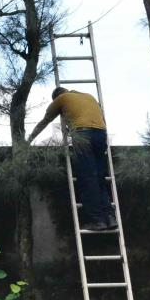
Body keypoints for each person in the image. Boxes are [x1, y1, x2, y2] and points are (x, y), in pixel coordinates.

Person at [28, 86, 116, 232]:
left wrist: (29, 139)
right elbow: (100, 117)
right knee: (100, 176)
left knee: (88, 177)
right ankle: (110, 218)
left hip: (83, 135)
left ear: (56, 96)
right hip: (101, 134)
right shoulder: (88, 96)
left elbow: (45, 121)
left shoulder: (61, 99)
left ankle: (97, 221)